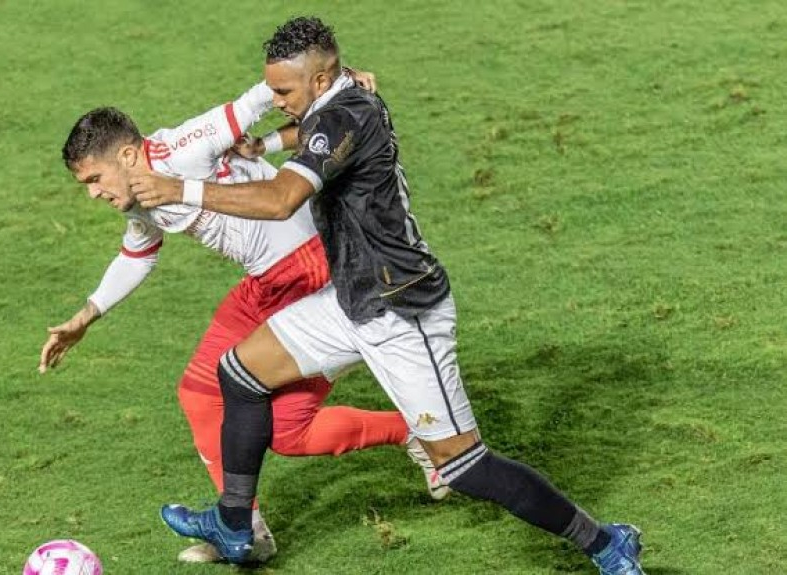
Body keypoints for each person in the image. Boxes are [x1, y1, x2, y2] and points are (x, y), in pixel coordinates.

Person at [131, 17, 646, 574]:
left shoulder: (348, 112)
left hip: (403, 311)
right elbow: (314, 135)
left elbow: (283, 199)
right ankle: (235, 524)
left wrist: (178, 189)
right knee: (239, 372)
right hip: (350, 300)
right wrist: (271, 140)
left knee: (465, 466)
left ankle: (605, 542)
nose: (276, 99)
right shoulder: (340, 103)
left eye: (284, 91)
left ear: (323, 78)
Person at [39, 73, 446, 564]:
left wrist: (338, 82)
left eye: (93, 180)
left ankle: (418, 433)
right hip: (266, 282)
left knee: (289, 433)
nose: (92, 194)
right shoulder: (139, 195)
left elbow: (255, 99)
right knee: (199, 394)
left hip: (310, 273)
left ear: (127, 156)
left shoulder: (181, 150)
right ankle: (243, 530)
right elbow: (138, 253)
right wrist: (86, 316)